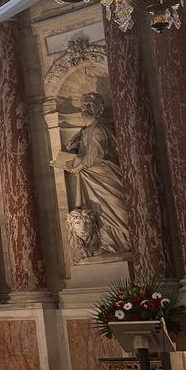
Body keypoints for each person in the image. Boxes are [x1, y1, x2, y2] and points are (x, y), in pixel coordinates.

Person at [51, 92, 129, 256]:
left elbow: (95, 155)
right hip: (89, 177)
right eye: (84, 105)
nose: (85, 108)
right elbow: (82, 153)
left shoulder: (100, 128)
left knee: (116, 208)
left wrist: (75, 166)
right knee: (99, 212)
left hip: (104, 175)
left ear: (99, 110)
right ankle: (108, 244)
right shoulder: (83, 131)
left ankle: (124, 241)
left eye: (90, 105)